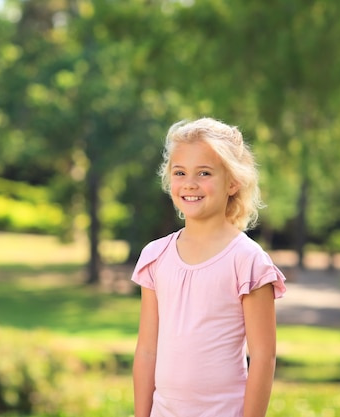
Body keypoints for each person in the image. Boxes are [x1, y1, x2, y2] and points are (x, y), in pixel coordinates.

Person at [131, 117, 287, 417]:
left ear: (233, 182)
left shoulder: (247, 261)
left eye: (204, 173)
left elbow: (264, 357)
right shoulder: (156, 256)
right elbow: (147, 350)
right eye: (180, 172)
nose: (190, 183)